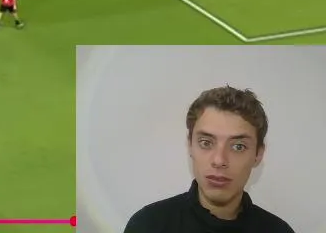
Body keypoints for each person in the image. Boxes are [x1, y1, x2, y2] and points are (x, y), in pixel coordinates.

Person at [123, 86, 295, 233]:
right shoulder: (148, 225)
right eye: (206, 143)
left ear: (258, 154)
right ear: (190, 145)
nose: (219, 160)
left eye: (238, 146)